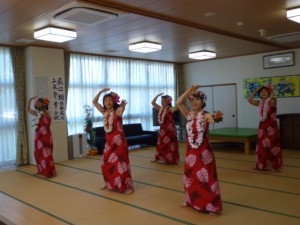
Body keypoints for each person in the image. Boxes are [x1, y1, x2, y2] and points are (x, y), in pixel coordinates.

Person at [176, 85, 223, 215]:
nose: (194, 102)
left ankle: (211, 206)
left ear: (203, 103)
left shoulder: (205, 115)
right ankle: (190, 200)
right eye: (192, 100)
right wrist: (188, 92)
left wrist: (217, 117)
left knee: (206, 178)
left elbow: (213, 119)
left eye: (197, 100)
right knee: (190, 176)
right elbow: (178, 103)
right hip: (191, 151)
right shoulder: (188, 114)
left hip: (204, 152)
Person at [92, 88, 134, 194]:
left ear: (114, 101)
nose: (108, 102)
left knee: (121, 164)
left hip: (119, 142)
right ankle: (108, 182)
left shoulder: (117, 111)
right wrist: (101, 92)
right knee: (104, 163)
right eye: (105, 100)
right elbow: (94, 102)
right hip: (109, 143)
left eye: (110, 100)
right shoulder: (105, 112)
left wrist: (123, 106)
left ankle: (128, 187)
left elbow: (121, 110)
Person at [247, 85, 282, 171]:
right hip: (262, 127)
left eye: (265, 91)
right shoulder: (259, 103)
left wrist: (270, 89)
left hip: (272, 127)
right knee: (261, 146)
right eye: (261, 92)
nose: (263, 93)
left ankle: (275, 165)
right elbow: (249, 100)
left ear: (268, 93)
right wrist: (256, 90)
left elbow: (274, 97)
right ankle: (260, 165)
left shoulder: (272, 101)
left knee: (273, 145)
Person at [26, 96, 57, 178]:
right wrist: (29, 100)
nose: (36, 103)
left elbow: (45, 112)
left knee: (46, 154)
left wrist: (44, 103)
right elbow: (27, 109)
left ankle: (49, 172)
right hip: (38, 136)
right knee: (38, 154)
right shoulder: (38, 113)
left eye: (38, 102)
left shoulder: (46, 113)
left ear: (43, 104)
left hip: (46, 136)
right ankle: (41, 170)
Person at [151, 93, 179, 164]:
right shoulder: (161, 108)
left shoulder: (169, 109)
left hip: (170, 129)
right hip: (162, 129)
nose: (162, 102)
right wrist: (157, 95)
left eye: (164, 101)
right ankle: (158, 158)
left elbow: (175, 109)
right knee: (160, 144)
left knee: (169, 144)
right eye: (162, 101)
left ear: (168, 101)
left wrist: (176, 103)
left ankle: (170, 159)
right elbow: (153, 103)